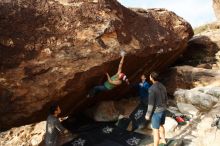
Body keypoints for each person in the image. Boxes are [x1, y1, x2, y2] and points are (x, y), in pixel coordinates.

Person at [145, 72, 168, 146]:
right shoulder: (163, 86)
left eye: (150, 76)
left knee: (155, 131)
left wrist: (148, 114)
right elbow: (166, 99)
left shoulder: (151, 89)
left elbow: (151, 104)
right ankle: (163, 140)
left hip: (157, 112)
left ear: (151, 78)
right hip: (164, 109)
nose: (149, 77)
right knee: (161, 125)